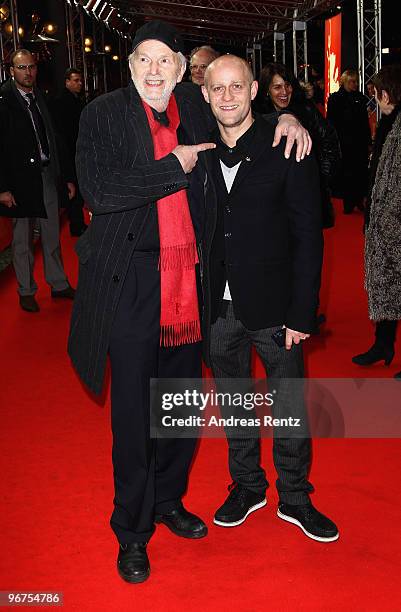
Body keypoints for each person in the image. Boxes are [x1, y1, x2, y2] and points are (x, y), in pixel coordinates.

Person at [67, 20, 311, 584]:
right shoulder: (101, 113)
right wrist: (169, 168)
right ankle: (132, 529)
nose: (155, 70)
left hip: (188, 286)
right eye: (144, 60)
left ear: (182, 71)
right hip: (130, 283)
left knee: (176, 407)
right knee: (133, 415)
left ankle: (169, 501)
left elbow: (239, 120)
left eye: (165, 62)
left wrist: (288, 119)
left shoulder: (192, 109)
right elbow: (100, 191)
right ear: (130, 66)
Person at [200, 54, 339, 542]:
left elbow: (308, 235)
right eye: (218, 89)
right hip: (217, 307)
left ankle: (296, 496)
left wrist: (303, 310)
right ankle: (247, 485)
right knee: (234, 402)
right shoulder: (195, 149)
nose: (227, 97)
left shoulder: (286, 144)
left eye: (237, 87)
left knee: (288, 405)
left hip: (277, 307)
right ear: (204, 94)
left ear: (253, 90)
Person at [0, 49, 76, 312]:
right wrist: (3, 188)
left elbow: (56, 139)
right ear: (12, 71)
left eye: (31, 67)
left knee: (51, 233)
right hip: (19, 181)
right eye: (22, 67)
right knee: (22, 239)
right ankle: (26, 289)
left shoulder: (42, 98)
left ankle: (58, 283)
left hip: (46, 174)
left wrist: (64, 176)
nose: (28, 72)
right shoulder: (3, 100)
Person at [352, 65, 401, 379]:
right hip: (384, 220)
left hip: (394, 222)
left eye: (377, 94)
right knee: (388, 287)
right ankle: (383, 344)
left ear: (387, 93)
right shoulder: (389, 124)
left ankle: (384, 344)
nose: (375, 100)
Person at [255, 62, 341, 229]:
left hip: (305, 194)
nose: (284, 92)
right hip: (272, 197)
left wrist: (319, 177)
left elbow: (329, 141)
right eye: (277, 87)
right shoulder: (257, 117)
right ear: (266, 90)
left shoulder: (306, 109)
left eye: (287, 85)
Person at [327, 69, 371, 214]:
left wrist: (368, 141)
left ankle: (358, 199)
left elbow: (365, 122)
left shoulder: (360, 98)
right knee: (347, 173)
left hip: (359, 143)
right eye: (352, 81)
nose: (355, 84)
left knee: (360, 171)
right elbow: (331, 123)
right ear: (345, 81)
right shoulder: (335, 99)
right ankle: (348, 202)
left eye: (356, 81)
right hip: (344, 143)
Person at [50, 67, 87, 236]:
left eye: (80, 80)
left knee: (77, 190)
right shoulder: (61, 102)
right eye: (75, 80)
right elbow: (62, 132)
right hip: (68, 153)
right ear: (67, 82)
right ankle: (76, 224)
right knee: (73, 189)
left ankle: (78, 223)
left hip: (75, 152)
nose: (79, 84)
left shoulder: (76, 100)